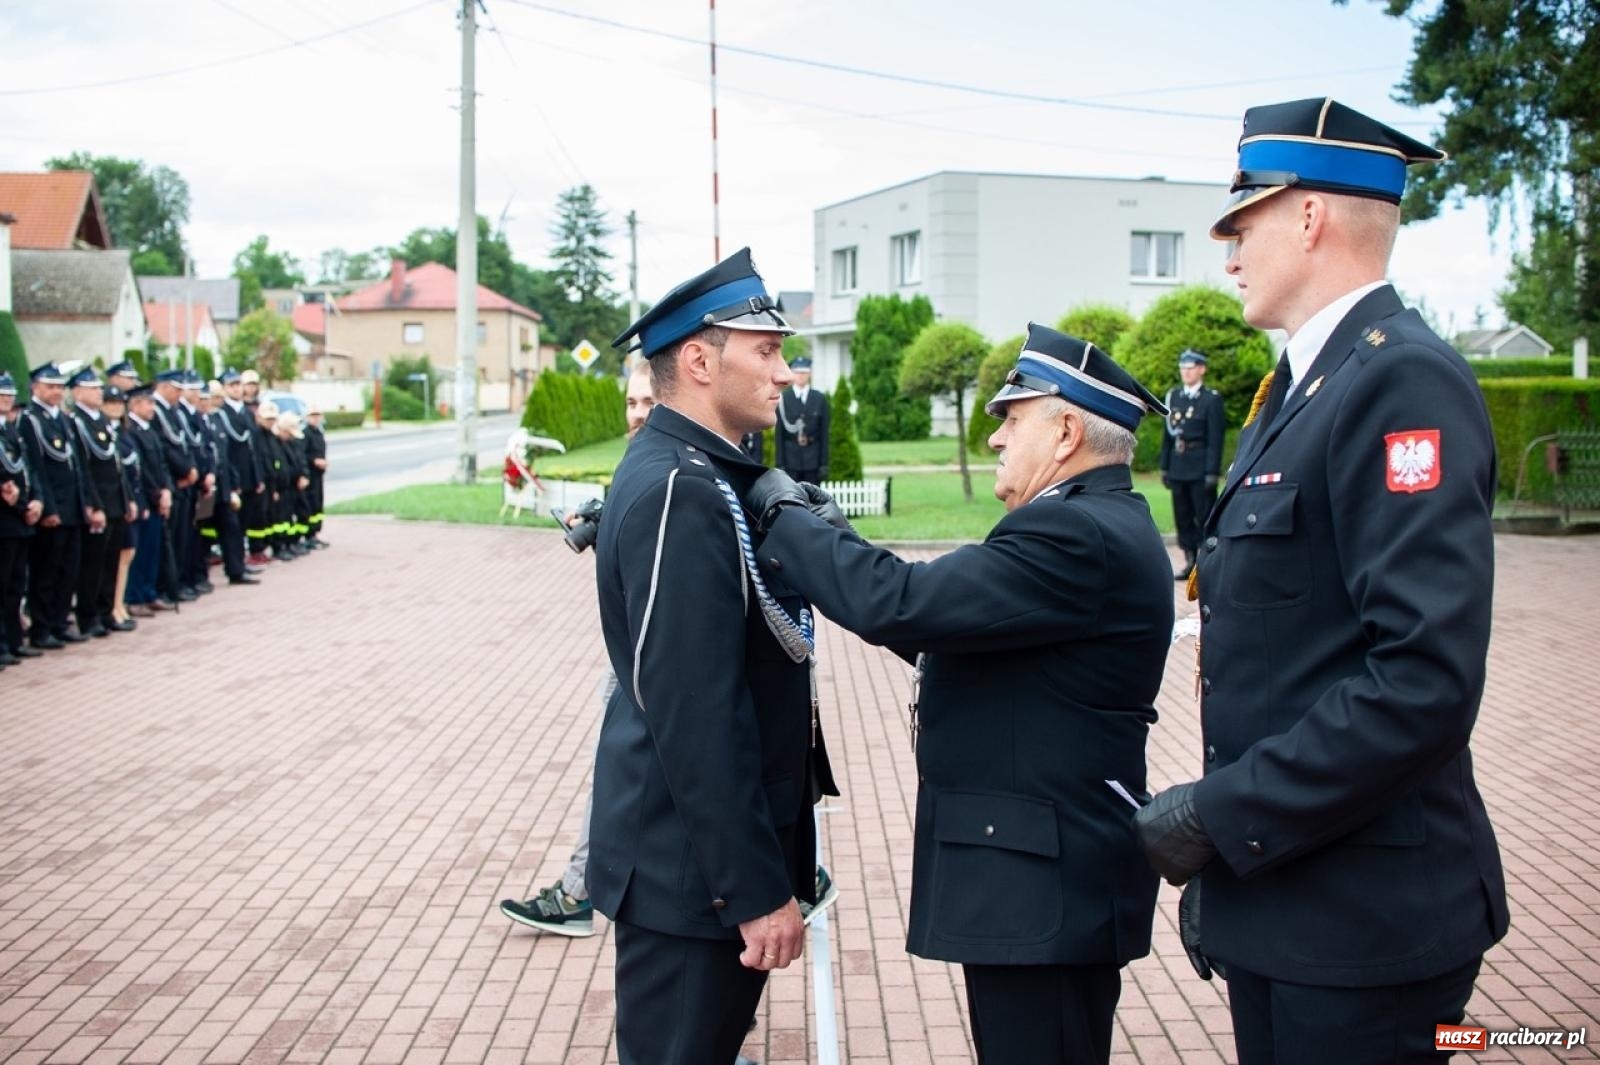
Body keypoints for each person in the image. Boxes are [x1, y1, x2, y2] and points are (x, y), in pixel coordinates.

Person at [1132, 98, 1509, 1065]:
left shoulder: (1400, 383)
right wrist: (1239, 860)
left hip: (1366, 927)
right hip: (1293, 893)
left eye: (1241, 225)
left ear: (1309, 216)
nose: (1228, 256)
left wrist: (1219, 818)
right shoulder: (1303, 388)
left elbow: (1422, 681)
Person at [741, 323, 1172, 1065]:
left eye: (1012, 419)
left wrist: (784, 518)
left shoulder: (1073, 533)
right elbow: (948, 623)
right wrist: (834, 532)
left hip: (1046, 889)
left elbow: (902, 603)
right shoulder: (1088, 523)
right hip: (1041, 880)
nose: (998, 439)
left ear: (1066, 431)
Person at [588, 248, 836, 1064]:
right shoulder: (679, 488)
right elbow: (693, 709)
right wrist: (755, 888)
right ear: (699, 360)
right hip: (692, 878)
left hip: (698, 871)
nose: (784, 370)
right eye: (765, 351)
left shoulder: (707, 474)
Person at [20, 362, 97, 648]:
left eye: (59, 387)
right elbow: (37, 468)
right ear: (35, 387)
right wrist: (49, 508)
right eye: (50, 386)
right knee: (45, 573)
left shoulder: (63, 420)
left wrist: (86, 503)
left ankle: (59, 621)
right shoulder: (31, 420)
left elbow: (77, 466)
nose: (55, 392)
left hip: (73, 508)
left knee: (68, 570)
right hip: (53, 510)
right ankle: (42, 629)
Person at [67, 368, 136, 637]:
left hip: (116, 502)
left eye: (99, 388)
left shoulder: (103, 422)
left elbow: (117, 467)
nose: (99, 392)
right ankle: (89, 615)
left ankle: (106, 611)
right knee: (92, 565)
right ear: (77, 392)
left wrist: (127, 498)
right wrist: (94, 505)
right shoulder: (77, 423)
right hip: (99, 504)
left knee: (109, 562)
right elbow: (84, 470)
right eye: (93, 389)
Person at [1159, 349, 1224, 580]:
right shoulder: (1174, 397)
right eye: (1183, 367)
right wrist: (1165, 466)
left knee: (1205, 515)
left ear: (1201, 369)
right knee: (1183, 516)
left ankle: (1210, 562)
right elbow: (1168, 437)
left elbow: (1216, 439)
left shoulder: (1211, 399)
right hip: (1178, 466)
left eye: (1190, 367)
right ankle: (1190, 561)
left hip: (1199, 468)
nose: (1185, 372)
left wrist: (1212, 472)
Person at [1, 371, 45, 667]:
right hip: (4, 519)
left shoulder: (11, 430)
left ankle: (14, 641)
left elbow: (28, 470)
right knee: (2, 585)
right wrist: (21, 504)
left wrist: (36, 500)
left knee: (17, 584)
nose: (7, 399)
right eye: (1, 394)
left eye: (9, 394)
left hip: (21, 518)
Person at [121, 384, 174, 618]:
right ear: (135, 404)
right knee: (139, 552)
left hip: (157, 498)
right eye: (148, 403)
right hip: (145, 498)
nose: (152, 407)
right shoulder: (130, 430)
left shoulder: (149, 430)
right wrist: (157, 493)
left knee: (153, 549)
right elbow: (141, 470)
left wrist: (167, 490)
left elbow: (161, 465)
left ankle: (149, 592)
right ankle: (134, 597)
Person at [151, 369, 199, 605]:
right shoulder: (157, 411)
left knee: (181, 538)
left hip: (183, 483)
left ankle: (177, 582)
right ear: (164, 387)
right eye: (176, 389)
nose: (179, 394)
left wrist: (191, 469)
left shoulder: (173, 411)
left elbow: (185, 443)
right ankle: (167, 586)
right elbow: (164, 448)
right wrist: (185, 470)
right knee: (169, 540)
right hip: (173, 481)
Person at [772, 355, 829, 483]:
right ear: (792, 374)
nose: (801, 376)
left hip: (813, 460)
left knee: (812, 500)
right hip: (790, 460)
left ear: (809, 374)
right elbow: (779, 434)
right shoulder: (783, 399)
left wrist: (823, 463)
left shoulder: (819, 399)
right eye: (797, 372)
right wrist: (780, 463)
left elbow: (824, 433)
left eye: (804, 372)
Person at [303, 403, 329, 549]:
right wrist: (314, 461)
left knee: (318, 504)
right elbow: (302, 454)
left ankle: (315, 533)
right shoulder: (305, 434)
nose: (316, 418)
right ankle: (309, 535)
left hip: (318, 474)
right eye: (313, 415)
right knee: (310, 504)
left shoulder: (319, 432)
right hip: (310, 475)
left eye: (318, 415)